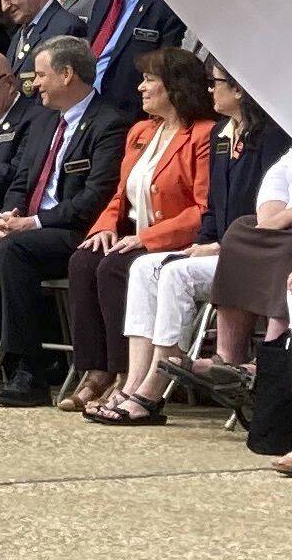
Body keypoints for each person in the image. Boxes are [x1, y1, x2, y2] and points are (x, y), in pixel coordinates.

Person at [64, 47, 219, 418]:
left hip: (169, 238)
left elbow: (202, 209)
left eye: (150, 80)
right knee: (84, 260)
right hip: (133, 231)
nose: (141, 87)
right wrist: (104, 227)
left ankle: (123, 375)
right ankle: (95, 369)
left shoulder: (202, 134)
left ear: (175, 87)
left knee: (115, 267)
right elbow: (121, 194)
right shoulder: (140, 131)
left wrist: (147, 238)